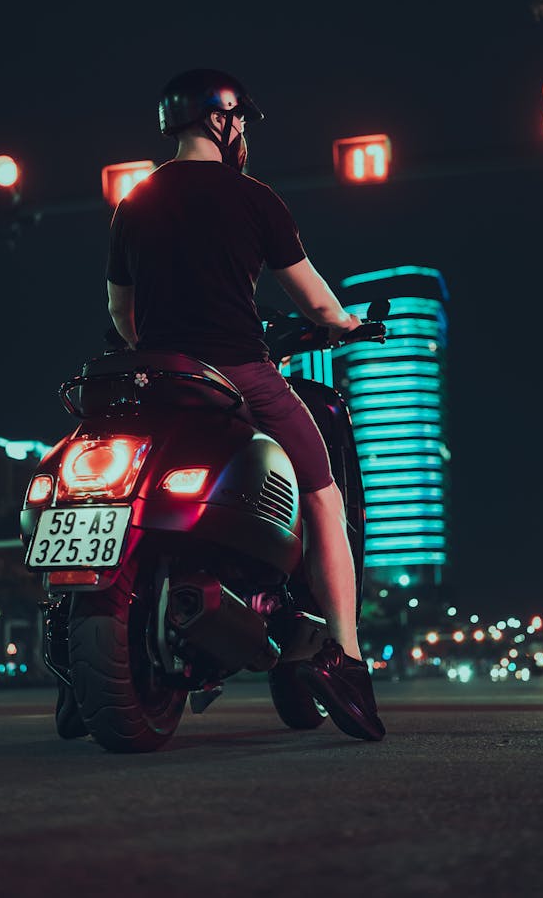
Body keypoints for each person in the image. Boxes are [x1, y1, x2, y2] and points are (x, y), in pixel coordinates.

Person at [106, 68, 385, 742]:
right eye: (239, 123)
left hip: (159, 379)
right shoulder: (253, 199)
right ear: (222, 122)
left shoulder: (134, 202)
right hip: (240, 375)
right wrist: (347, 324)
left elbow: (121, 311)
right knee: (323, 492)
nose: (242, 135)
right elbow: (315, 302)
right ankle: (344, 653)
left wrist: (164, 350)